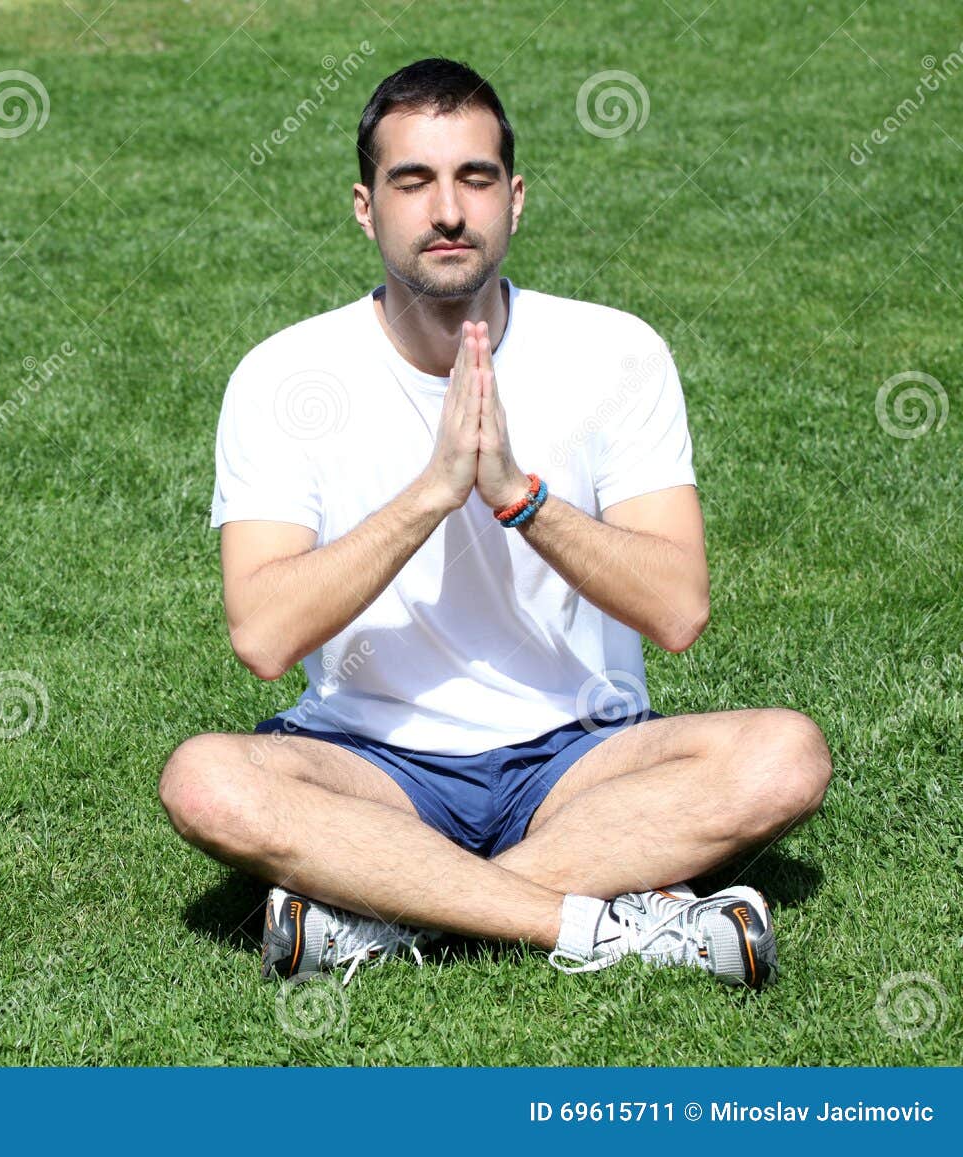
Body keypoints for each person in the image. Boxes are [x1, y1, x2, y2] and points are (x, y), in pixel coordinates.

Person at [157, 58, 832, 992]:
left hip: (582, 755)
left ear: (515, 199)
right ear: (365, 207)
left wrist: (521, 499)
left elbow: (677, 610)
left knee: (784, 755)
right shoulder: (284, 374)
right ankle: (615, 924)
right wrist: (431, 493)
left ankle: (385, 913)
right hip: (370, 759)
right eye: (413, 181)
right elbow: (263, 635)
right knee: (206, 779)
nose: (447, 210)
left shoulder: (617, 351)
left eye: (474, 178)